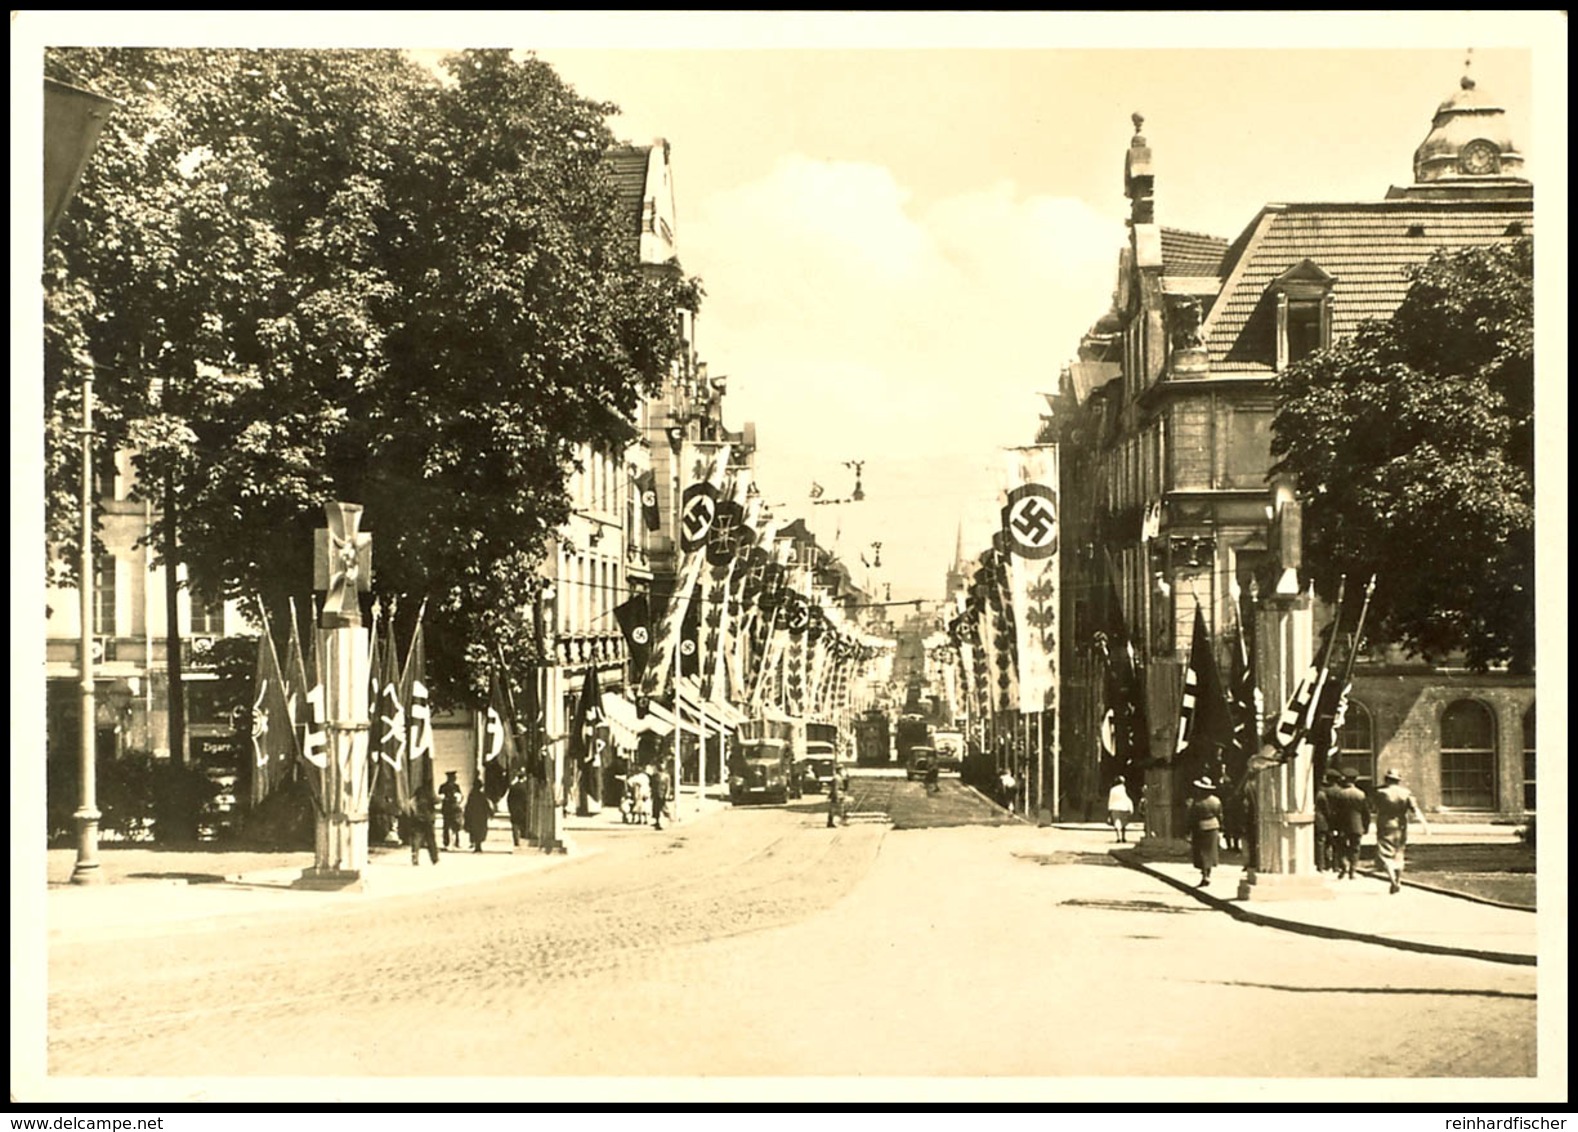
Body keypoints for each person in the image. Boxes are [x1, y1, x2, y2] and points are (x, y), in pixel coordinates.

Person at [1372, 767, 1428, 894]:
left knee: (1385, 854)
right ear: (1398, 780)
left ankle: (1393, 881)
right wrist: (1425, 825)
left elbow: (1373, 807)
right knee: (1399, 852)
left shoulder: (1380, 792)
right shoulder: (1406, 793)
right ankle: (1398, 879)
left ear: (1387, 779)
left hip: (1385, 824)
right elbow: (1415, 810)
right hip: (1401, 825)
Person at [1330, 771, 1370, 879]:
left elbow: (1335, 812)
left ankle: (1344, 867)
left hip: (1342, 826)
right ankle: (1353, 871)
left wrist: (1334, 826)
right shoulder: (1361, 794)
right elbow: (1366, 812)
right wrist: (1366, 826)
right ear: (1355, 779)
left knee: (1341, 847)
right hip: (1357, 825)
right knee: (1355, 848)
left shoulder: (1339, 794)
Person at [1186, 775, 1223, 887]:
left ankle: (1205, 875)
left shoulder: (1196, 802)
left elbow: (1192, 817)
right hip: (1213, 827)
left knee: (1202, 853)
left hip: (1200, 827)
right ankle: (1208, 873)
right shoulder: (1216, 801)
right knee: (1210, 853)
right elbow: (1220, 815)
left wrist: (1188, 831)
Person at [405, 778, 440, 867]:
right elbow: (436, 801)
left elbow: (411, 802)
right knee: (430, 839)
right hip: (428, 819)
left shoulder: (418, 791)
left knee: (417, 838)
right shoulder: (430, 792)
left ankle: (415, 856)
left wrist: (415, 813)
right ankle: (434, 858)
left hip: (418, 818)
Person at [1313, 767, 1341, 872]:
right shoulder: (1339, 791)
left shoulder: (1320, 791)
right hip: (1336, 819)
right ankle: (1335, 865)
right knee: (1335, 843)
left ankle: (1321, 865)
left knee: (1321, 842)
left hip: (1322, 820)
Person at [438, 770, 464, 850]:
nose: (454, 779)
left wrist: (459, 801)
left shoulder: (456, 786)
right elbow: (440, 796)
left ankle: (456, 842)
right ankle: (446, 842)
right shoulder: (443, 787)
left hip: (454, 807)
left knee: (456, 825)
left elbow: (461, 795)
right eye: (453, 777)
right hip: (447, 808)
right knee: (446, 825)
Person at [506, 766, 531, 848]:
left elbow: (509, 799)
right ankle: (522, 839)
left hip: (514, 809)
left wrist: (510, 809)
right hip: (523, 810)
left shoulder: (513, 787)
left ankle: (516, 841)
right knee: (522, 825)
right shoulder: (525, 788)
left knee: (515, 826)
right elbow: (526, 800)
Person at [464, 781, 491, 853]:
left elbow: (468, 806)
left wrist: (466, 815)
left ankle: (477, 845)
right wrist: (489, 813)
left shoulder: (472, 795)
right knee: (479, 831)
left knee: (475, 831)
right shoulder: (481, 795)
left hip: (474, 816)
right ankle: (478, 845)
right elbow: (486, 805)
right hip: (480, 816)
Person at [1106, 775, 1135, 843]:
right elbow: (1128, 798)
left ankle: (1118, 837)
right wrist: (1130, 807)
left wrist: (1109, 809)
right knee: (1124, 823)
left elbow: (1111, 799)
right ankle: (1123, 837)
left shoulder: (1113, 789)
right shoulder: (1125, 789)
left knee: (1117, 823)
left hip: (1115, 807)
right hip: (1124, 807)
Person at [650, 763, 670, 832]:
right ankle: (657, 822)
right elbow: (652, 785)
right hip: (656, 794)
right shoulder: (654, 776)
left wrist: (667, 793)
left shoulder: (666, 776)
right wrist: (652, 793)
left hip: (662, 794)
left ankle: (667, 818)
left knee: (663, 807)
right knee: (656, 809)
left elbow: (668, 786)